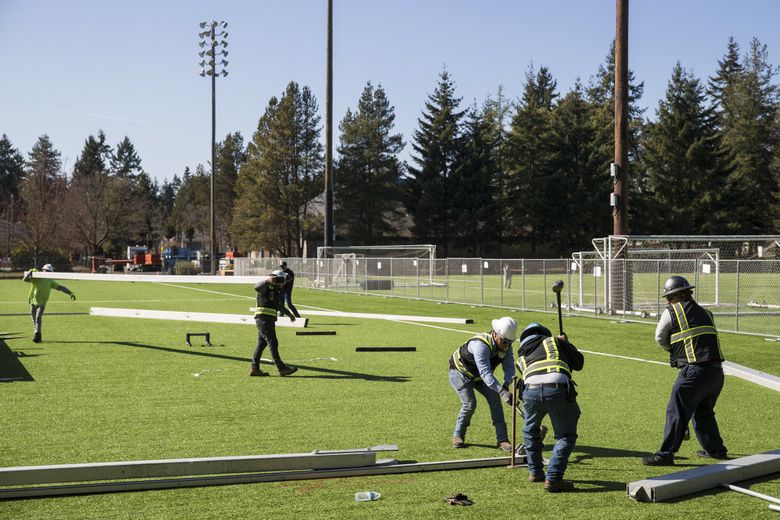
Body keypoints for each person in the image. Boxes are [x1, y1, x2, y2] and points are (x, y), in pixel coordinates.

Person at [642, 276, 728, 466]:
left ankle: (665, 454)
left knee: (677, 411)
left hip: (694, 371)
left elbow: (659, 337)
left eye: (669, 297)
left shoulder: (672, 311)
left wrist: (674, 351)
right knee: (703, 411)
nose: (667, 301)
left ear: (679, 295)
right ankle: (716, 450)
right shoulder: (707, 312)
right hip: (716, 373)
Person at [516, 322, 584, 492]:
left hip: (529, 392)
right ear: (543, 334)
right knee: (565, 435)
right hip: (557, 388)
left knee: (531, 432)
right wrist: (566, 343)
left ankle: (535, 472)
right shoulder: (554, 341)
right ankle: (553, 478)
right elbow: (579, 363)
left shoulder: (520, 358)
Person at [448, 317, 518, 452]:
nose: (506, 346)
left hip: (480, 376)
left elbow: (509, 368)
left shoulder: (506, 346)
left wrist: (507, 385)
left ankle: (503, 440)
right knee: (470, 404)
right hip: (459, 372)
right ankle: (458, 435)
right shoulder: (481, 345)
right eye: (504, 341)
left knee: (495, 402)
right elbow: (486, 374)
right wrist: (502, 392)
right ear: (495, 334)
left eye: (509, 343)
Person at [250, 269, 298, 377]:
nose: (283, 283)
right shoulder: (266, 287)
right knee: (273, 342)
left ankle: (255, 368)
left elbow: (278, 306)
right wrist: (269, 281)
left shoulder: (277, 291)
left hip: (268, 319)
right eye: (281, 280)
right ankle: (281, 368)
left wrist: (289, 314)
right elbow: (256, 286)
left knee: (262, 343)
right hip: (263, 318)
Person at [22, 264, 76, 343]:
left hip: (42, 303)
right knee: (34, 319)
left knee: (38, 318)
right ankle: (37, 333)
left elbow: (61, 288)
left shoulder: (50, 281)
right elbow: (25, 279)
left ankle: (37, 335)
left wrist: (70, 293)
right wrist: (30, 272)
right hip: (33, 301)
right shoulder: (37, 276)